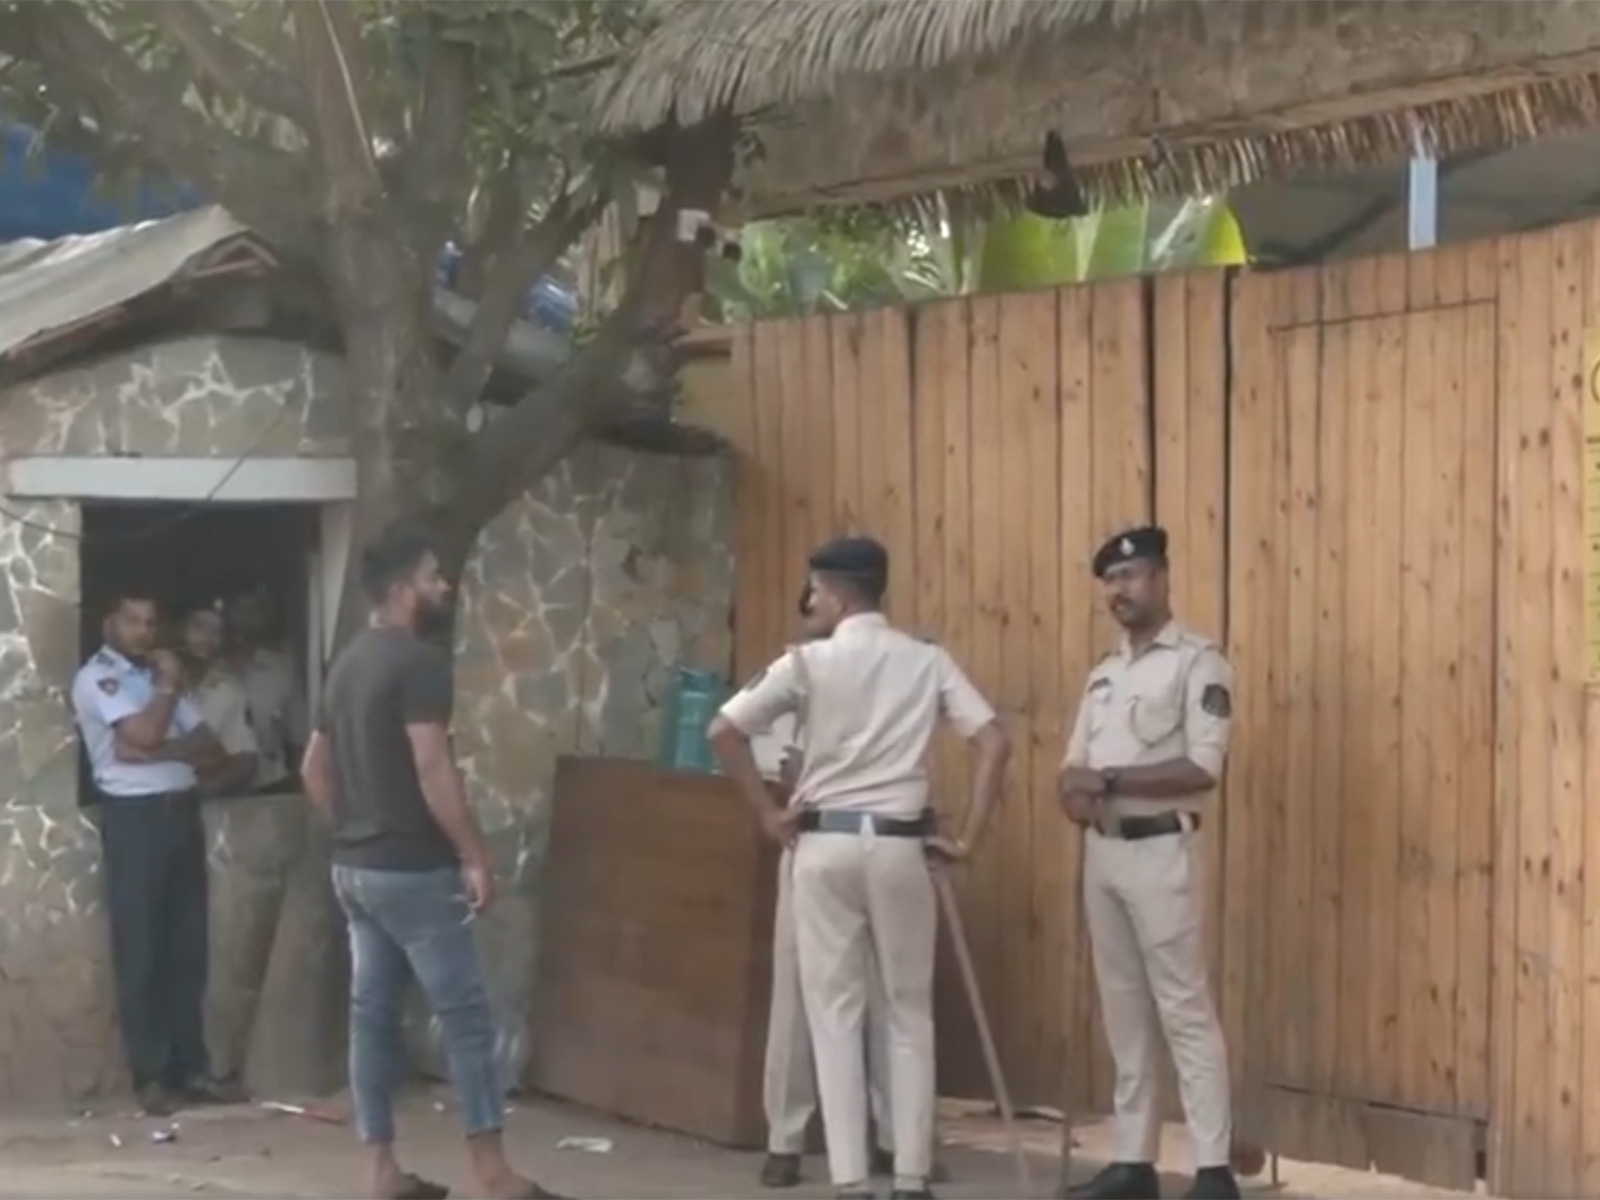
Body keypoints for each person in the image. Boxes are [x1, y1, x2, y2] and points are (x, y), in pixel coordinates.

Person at [709, 536, 1010, 1200]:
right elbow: (993, 741)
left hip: (825, 843)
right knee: (908, 1011)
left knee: (834, 1013)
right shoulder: (927, 660)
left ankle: (849, 1178)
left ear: (839, 593)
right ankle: (909, 1174)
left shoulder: (805, 663)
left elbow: (723, 730)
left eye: (814, 589)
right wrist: (970, 839)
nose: (809, 601)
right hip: (903, 842)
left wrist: (767, 813)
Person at [300, 523, 557, 1200]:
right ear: (400, 589)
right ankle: (492, 1173)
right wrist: (474, 853)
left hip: (355, 867)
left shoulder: (348, 663)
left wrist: (353, 829)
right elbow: (432, 765)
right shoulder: (418, 665)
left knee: (371, 1016)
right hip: (413, 868)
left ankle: (380, 1169)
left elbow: (313, 769)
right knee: (466, 1016)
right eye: (433, 576)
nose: (444, 586)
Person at [1058, 527, 1238, 1200]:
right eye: (1110, 580)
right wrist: (1076, 793)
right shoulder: (1103, 675)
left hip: (1163, 849)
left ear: (1162, 579)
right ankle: (1133, 1161)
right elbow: (1071, 769)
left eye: (1132, 576)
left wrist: (1105, 781)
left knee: (1183, 1007)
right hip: (1103, 850)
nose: (1120, 591)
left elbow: (1201, 764)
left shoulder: (1199, 663)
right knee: (1123, 1010)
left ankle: (1213, 1166)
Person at [70, 588, 237, 1117]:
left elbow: (212, 748)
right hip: (134, 819)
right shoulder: (102, 677)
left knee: (188, 947)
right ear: (110, 625)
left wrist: (156, 747)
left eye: (151, 622)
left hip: (180, 812)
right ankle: (152, 1076)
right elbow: (138, 733)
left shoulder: (152, 679)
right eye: (134, 621)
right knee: (142, 948)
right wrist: (165, 691)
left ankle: (190, 1067)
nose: (145, 631)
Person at [757, 581, 895, 1189]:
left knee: (889, 994)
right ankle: (785, 1138)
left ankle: (893, 1135)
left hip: (882, 839)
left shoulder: (890, 665)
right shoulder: (790, 673)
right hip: (812, 839)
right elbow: (771, 763)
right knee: (796, 992)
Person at [226, 584, 308, 791]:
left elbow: (298, 739)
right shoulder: (203, 672)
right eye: (241, 610)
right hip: (213, 787)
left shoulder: (281, 670)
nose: (248, 618)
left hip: (270, 785)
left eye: (255, 610)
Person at [178, 602, 260, 797]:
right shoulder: (143, 684)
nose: (207, 638)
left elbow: (246, 759)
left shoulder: (228, 691)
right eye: (198, 627)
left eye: (216, 631)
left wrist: (198, 793)